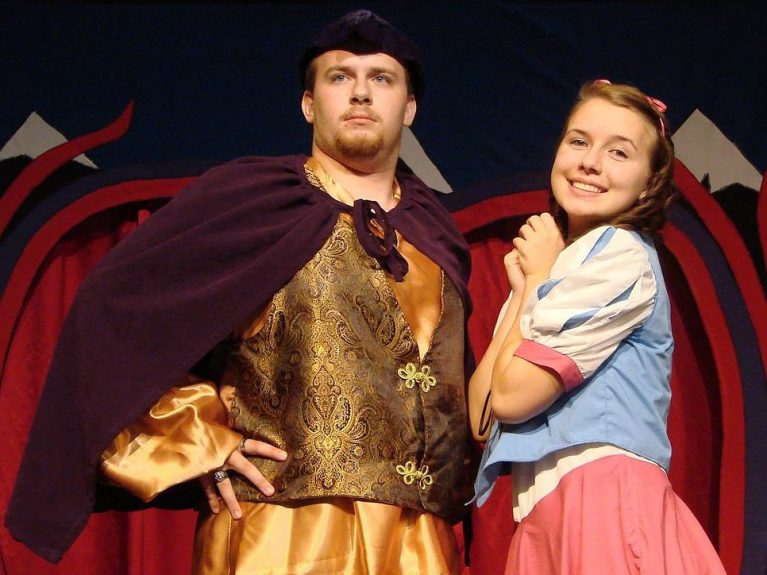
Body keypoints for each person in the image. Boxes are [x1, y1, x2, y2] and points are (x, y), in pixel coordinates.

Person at [6, 9, 473, 574]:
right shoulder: (255, 199)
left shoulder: (434, 232)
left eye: (381, 78)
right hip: (283, 532)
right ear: (308, 103)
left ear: (410, 107)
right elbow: (115, 317)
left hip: (418, 540)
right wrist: (198, 439)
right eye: (339, 76)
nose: (360, 93)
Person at [469, 80, 726, 573]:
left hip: (603, 501)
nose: (590, 162)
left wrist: (540, 280)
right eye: (579, 141)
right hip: (550, 515)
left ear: (651, 182)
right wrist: (527, 291)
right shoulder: (557, 266)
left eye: (619, 152)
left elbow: (510, 398)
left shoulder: (619, 255)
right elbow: (482, 419)